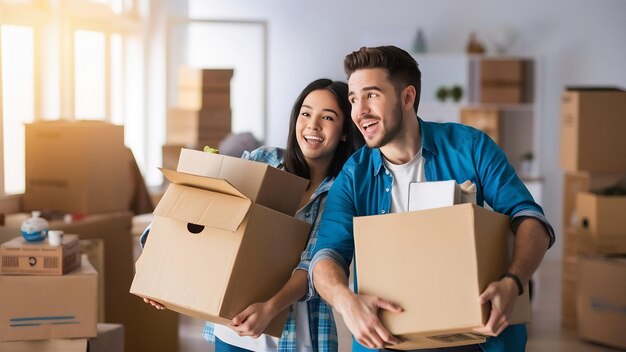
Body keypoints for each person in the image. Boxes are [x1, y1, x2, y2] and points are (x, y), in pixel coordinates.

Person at [308, 46, 555, 352]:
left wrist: (513, 283)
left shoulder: (470, 146)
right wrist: (347, 302)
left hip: (476, 336)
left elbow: (531, 218)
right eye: (354, 99)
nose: (359, 112)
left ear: (407, 97)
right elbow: (326, 257)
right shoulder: (353, 175)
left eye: (371, 95)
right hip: (389, 339)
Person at [142, 78, 364, 352]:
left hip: (293, 338)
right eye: (306, 113)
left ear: (344, 131)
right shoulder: (265, 160)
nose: (313, 125)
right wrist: (161, 268)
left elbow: (312, 265)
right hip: (231, 329)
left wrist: (269, 308)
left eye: (328, 117)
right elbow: (207, 209)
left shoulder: (340, 191)